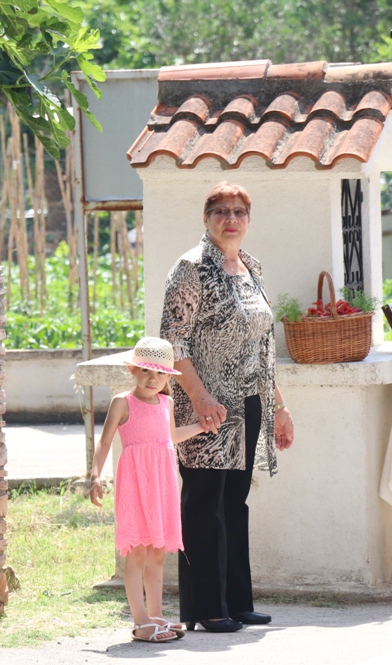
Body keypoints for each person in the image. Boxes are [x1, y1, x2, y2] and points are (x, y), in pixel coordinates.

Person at [160, 181, 295, 633]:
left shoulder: (250, 266)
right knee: (204, 502)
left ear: (249, 220)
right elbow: (173, 341)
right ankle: (206, 607)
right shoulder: (190, 268)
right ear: (206, 218)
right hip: (205, 408)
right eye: (220, 211)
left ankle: (236, 602)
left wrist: (279, 406)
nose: (230, 219)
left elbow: (262, 344)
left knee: (234, 501)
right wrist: (199, 397)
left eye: (239, 212)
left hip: (248, 400)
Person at [89, 336, 207, 643]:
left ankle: (156, 616)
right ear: (132, 370)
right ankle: (140, 622)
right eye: (145, 371)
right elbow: (104, 441)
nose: (153, 379)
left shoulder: (166, 403)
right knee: (138, 551)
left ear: (169, 377)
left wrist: (200, 426)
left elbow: (170, 437)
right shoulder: (122, 402)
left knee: (157, 551)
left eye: (160, 373)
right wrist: (94, 475)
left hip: (163, 483)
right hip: (136, 483)